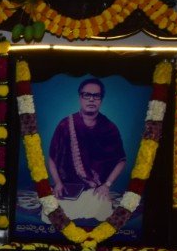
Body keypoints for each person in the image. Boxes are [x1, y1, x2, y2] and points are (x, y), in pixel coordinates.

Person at [46, 76, 126, 222]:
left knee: (103, 214)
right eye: (87, 95)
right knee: (51, 215)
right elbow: (52, 158)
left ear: (101, 100)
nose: (91, 99)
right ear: (80, 98)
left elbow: (121, 160)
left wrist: (107, 185)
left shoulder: (109, 128)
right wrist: (57, 182)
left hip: (95, 189)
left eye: (96, 96)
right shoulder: (65, 124)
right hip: (68, 187)